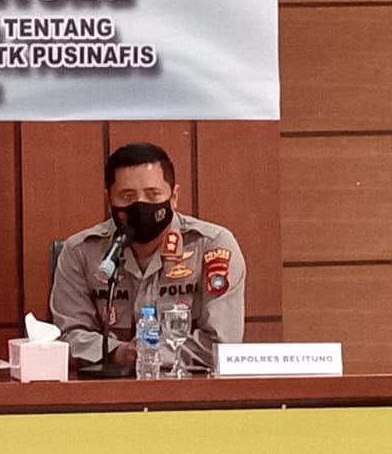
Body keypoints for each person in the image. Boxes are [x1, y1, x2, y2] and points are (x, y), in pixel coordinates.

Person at [49, 142, 245, 372]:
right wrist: (119, 353)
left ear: (174, 196)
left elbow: (221, 342)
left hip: (189, 384)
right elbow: (67, 336)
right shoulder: (80, 251)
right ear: (109, 199)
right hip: (107, 385)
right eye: (127, 196)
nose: (140, 205)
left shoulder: (211, 245)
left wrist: (150, 353)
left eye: (153, 194)